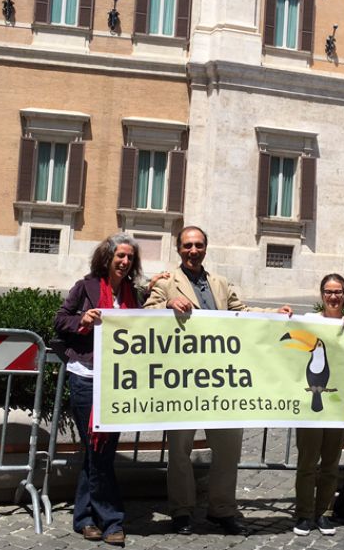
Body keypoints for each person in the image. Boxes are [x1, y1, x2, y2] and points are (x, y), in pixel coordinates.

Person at [143, 226, 292, 536]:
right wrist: (167, 306)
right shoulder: (167, 284)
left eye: (198, 245)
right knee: (180, 451)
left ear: (206, 249)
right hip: (182, 381)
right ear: (179, 249)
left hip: (223, 380)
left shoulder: (221, 283)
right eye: (187, 245)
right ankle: (182, 511)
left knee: (228, 450)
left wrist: (275, 314)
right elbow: (145, 315)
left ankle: (222, 509)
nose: (193, 250)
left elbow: (244, 313)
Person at [53, 233, 146, 547]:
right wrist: (83, 319)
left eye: (130, 258)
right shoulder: (86, 286)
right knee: (97, 450)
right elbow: (60, 319)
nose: (125, 262)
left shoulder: (135, 293)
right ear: (107, 258)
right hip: (86, 376)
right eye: (120, 256)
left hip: (119, 380)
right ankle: (111, 520)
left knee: (98, 452)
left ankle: (85, 518)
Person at [292, 274, 344, 537]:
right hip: (311, 408)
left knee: (331, 464)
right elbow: (284, 331)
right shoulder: (311, 323)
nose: (333, 296)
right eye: (328, 291)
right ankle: (303, 514)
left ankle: (322, 513)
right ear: (321, 295)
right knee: (307, 463)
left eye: (338, 291)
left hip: (339, 408)